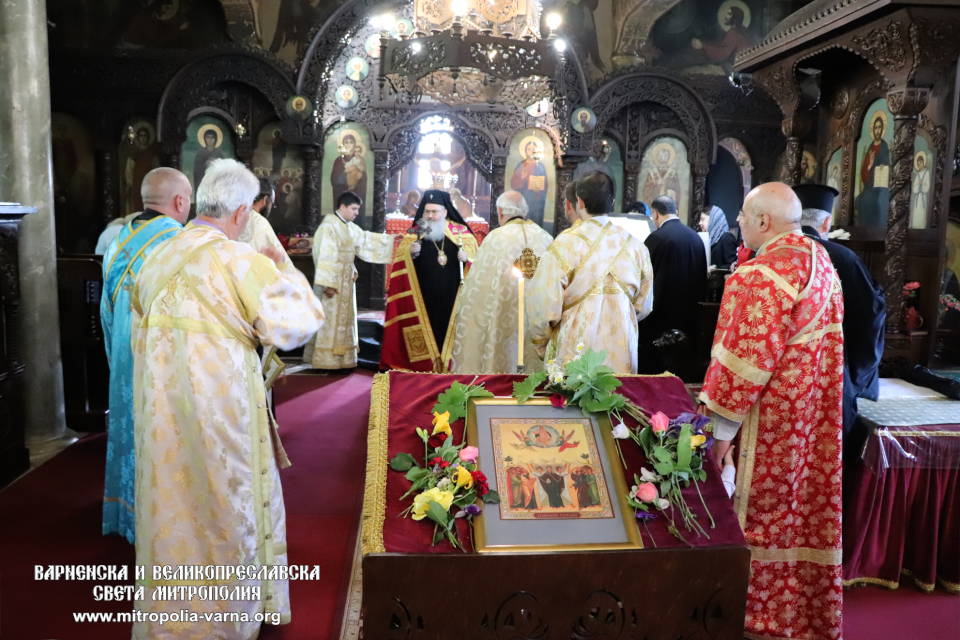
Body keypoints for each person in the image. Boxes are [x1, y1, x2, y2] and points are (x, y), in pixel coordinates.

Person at [130, 159, 324, 638]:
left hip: (162, 412)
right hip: (221, 416)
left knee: (174, 507)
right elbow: (298, 322)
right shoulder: (240, 261)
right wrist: (287, 271)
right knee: (224, 506)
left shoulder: (155, 256)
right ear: (241, 212)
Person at [699, 182, 844, 640]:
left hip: (770, 425)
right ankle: (798, 615)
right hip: (813, 419)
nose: (738, 223)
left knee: (759, 516)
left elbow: (744, 364)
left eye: (743, 215)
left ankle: (753, 617)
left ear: (763, 220)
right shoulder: (820, 263)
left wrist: (718, 436)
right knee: (800, 511)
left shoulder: (762, 274)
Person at [99, 167, 190, 543]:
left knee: (128, 429)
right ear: (181, 202)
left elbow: (105, 308)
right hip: (163, 363)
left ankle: (127, 515)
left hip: (124, 357)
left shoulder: (120, 239)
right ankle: (163, 523)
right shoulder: (180, 243)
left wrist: (117, 357)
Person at [526, 171, 653, 373]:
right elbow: (644, 306)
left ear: (579, 202)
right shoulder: (636, 246)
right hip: (621, 349)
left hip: (575, 348)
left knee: (574, 402)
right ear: (612, 203)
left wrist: (542, 344)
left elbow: (543, 307)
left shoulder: (564, 244)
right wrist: (617, 315)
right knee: (617, 401)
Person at [795, 183, 885, 454]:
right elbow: (871, 315)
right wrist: (857, 374)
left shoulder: (776, 255)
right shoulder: (845, 258)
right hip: (833, 377)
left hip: (785, 380)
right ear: (826, 223)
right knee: (828, 452)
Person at [451, 191, 554, 373]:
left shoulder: (496, 239)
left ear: (500, 212)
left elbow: (477, 292)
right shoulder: (545, 238)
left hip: (502, 322)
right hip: (538, 321)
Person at [380, 190, 478, 371]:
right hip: (423, 300)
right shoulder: (415, 233)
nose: (431, 216)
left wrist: (467, 260)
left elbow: (478, 267)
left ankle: (450, 366)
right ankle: (425, 365)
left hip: (453, 298)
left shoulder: (461, 233)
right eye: (427, 212)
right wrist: (410, 254)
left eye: (435, 212)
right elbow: (400, 266)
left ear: (445, 212)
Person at [304, 191, 395, 370]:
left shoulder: (349, 226)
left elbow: (366, 240)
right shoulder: (329, 226)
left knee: (344, 322)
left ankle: (342, 360)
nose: (356, 213)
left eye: (357, 209)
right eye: (353, 208)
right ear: (343, 206)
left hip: (346, 282)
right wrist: (328, 283)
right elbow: (324, 255)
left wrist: (391, 240)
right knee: (330, 321)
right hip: (333, 284)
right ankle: (326, 361)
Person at [638, 196, 707, 375]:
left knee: (654, 370)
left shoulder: (656, 238)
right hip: (689, 319)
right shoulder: (696, 238)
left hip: (659, 320)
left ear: (655, 214)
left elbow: (643, 278)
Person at [238, 177, 295, 274]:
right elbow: (285, 267)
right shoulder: (260, 222)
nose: (271, 206)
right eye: (271, 203)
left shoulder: (236, 217)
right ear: (265, 200)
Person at [855, 115, 890, 227]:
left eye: (880, 127)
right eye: (876, 127)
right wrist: (870, 166)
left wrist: (880, 168)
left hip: (881, 187)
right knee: (861, 200)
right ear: (873, 129)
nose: (877, 130)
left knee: (879, 201)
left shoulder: (884, 146)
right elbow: (864, 172)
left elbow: (886, 166)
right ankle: (864, 230)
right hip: (869, 186)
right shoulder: (870, 147)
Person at [510, 139, 548, 227]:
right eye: (529, 149)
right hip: (523, 198)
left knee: (535, 223)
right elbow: (514, 184)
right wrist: (522, 178)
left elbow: (545, 185)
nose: (531, 151)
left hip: (536, 201)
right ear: (525, 151)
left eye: (533, 149)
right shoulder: (521, 165)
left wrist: (539, 188)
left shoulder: (540, 166)